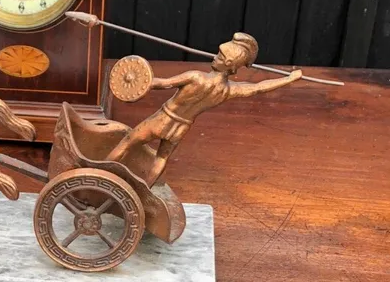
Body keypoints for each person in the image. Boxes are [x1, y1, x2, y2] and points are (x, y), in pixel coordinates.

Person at [109, 33, 302, 186]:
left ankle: (101, 173)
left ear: (227, 64)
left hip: (163, 118)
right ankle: (144, 189)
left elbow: (163, 83)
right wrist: (289, 79)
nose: (214, 56)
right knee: (161, 157)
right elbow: (259, 87)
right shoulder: (227, 90)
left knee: (128, 141)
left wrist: (141, 81)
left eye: (219, 56)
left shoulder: (196, 77)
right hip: (180, 127)